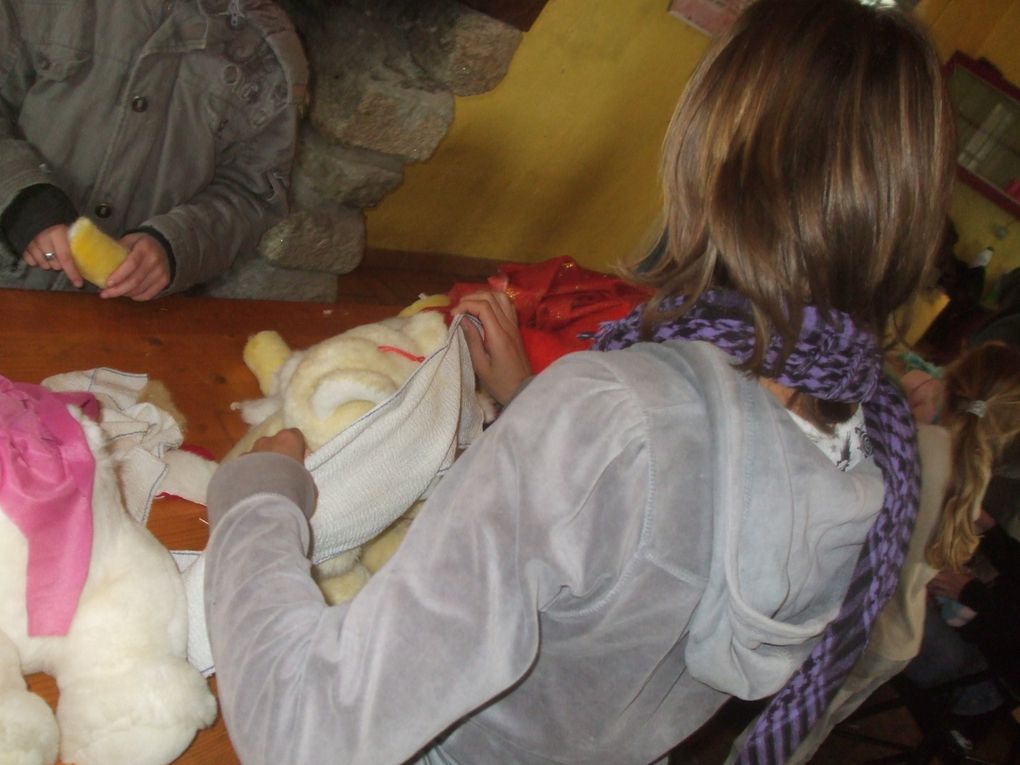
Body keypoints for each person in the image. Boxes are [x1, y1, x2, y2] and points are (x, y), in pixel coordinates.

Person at [202, 2, 955, 763]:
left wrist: (259, 500)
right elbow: (663, 544)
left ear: (710, 157)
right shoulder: (868, 444)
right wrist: (537, 409)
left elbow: (303, 731)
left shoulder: (612, 420)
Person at [773, 341, 1020, 763]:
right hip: (893, 640)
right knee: (799, 735)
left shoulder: (919, 443)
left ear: (953, 379)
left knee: (779, 733)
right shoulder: (972, 473)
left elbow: (834, 479)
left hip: (853, 625)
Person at [0, 0, 307, 301]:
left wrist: (173, 247)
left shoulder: (267, 54)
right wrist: (23, 200)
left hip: (128, 315)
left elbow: (251, 195)